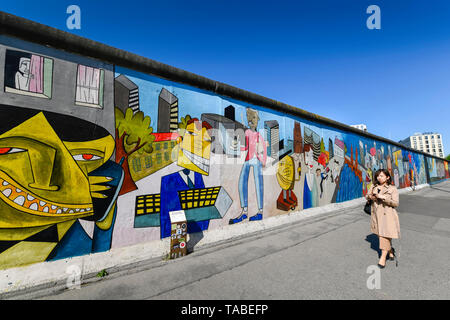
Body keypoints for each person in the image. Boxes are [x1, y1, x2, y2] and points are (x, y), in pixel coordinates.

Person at [366, 169, 400, 268]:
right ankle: (390, 250)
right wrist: (371, 197)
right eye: (377, 176)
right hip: (376, 215)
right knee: (379, 234)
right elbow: (367, 196)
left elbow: (395, 203)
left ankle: (383, 257)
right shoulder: (374, 186)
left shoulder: (392, 188)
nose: (378, 178)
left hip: (387, 215)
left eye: (381, 176)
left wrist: (383, 197)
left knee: (384, 236)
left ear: (387, 177)